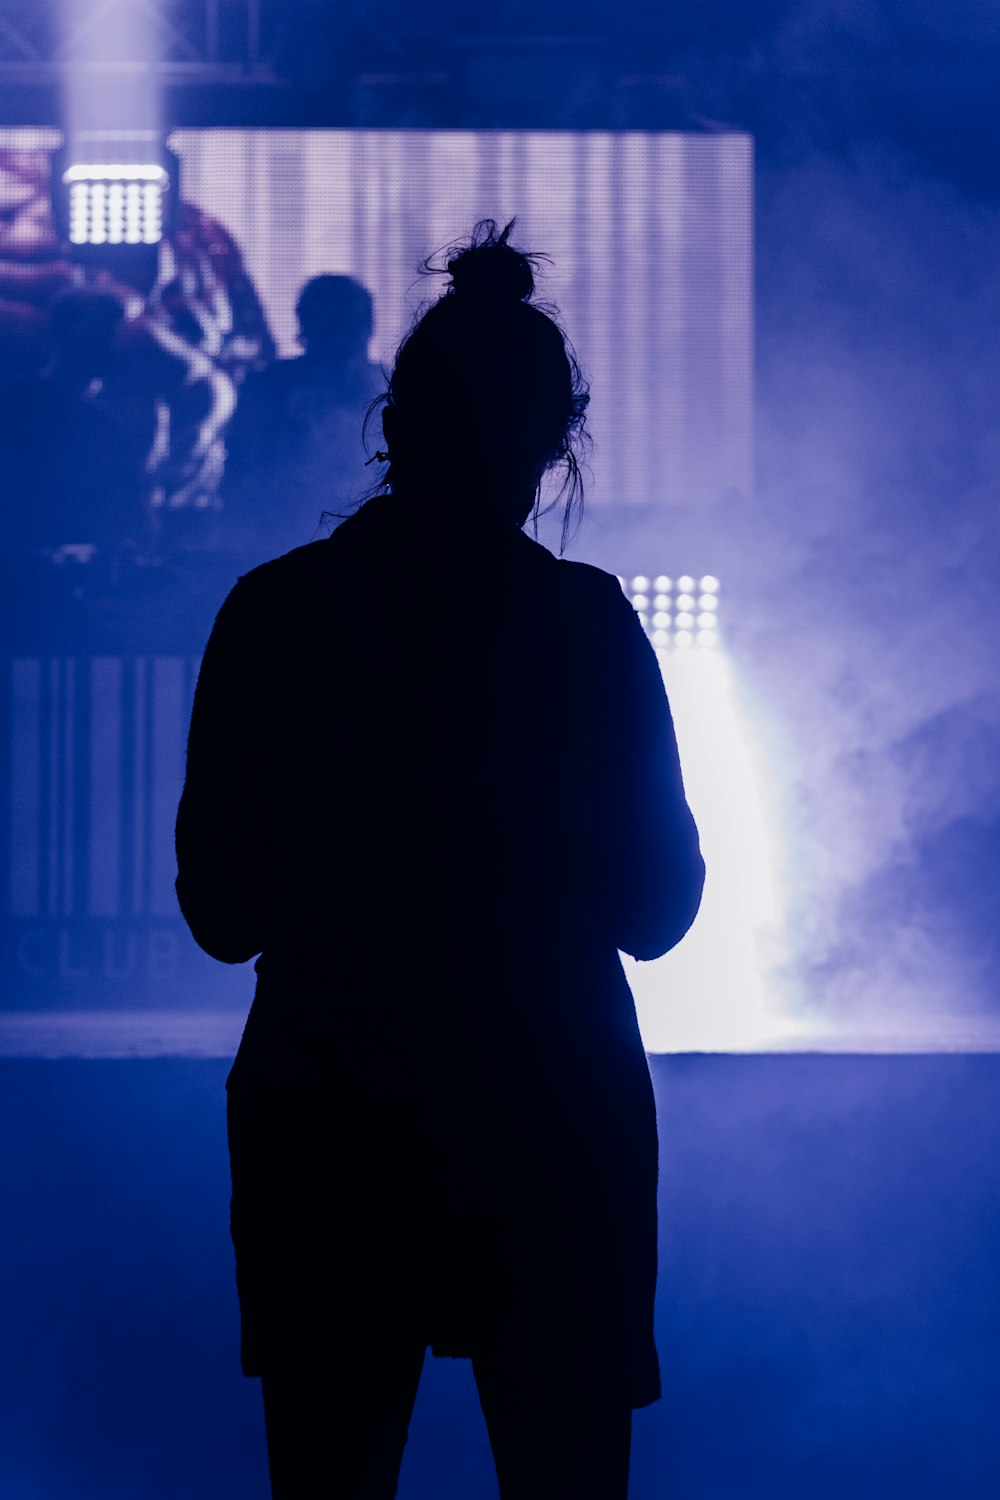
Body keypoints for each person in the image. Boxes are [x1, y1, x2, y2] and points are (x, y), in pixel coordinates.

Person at [175, 220, 705, 1499]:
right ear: (549, 442)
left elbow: (222, 912)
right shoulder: (580, 625)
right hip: (550, 1116)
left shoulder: (274, 613)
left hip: (329, 1112)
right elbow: (656, 907)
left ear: (393, 423)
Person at [222, 273, 383, 557]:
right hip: (277, 540)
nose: (345, 334)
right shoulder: (270, 386)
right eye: (336, 324)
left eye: (351, 323)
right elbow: (242, 469)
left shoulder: (388, 386)